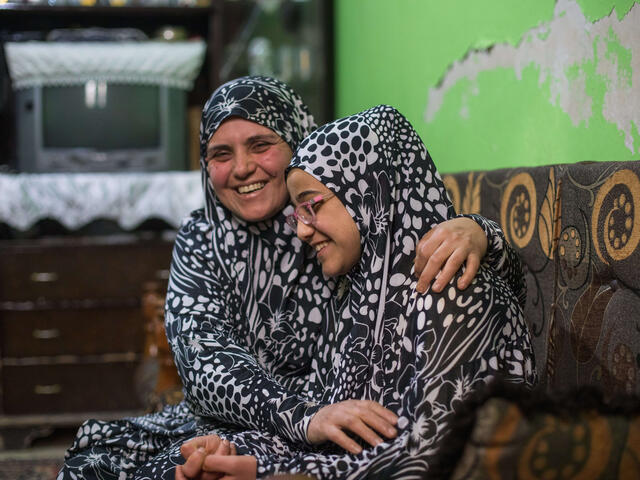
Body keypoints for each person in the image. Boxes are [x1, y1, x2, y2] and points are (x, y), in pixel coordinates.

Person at [57, 78, 519, 479]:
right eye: (221, 154)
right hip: (256, 418)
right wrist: (296, 422)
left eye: (261, 145)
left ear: (301, 143)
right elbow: (204, 363)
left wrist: (481, 231)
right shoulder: (206, 239)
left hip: (331, 433)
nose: (241, 169)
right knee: (111, 463)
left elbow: (422, 233)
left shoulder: (349, 227)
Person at [182, 105, 536, 479]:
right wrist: (233, 452)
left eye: (311, 206)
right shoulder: (361, 296)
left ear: (369, 194)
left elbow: (436, 459)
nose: (301, 231)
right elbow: (334, 429)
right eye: (296, 213)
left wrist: (270, 472)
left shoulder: (453, 292)